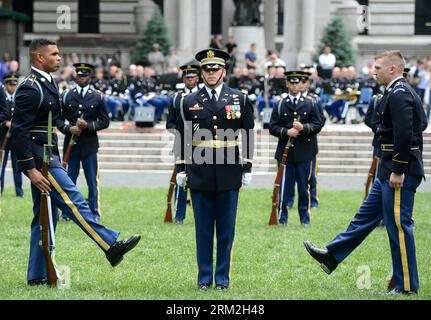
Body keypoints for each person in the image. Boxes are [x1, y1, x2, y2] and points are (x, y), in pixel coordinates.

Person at [11, 39, 141, 286]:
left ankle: (37, 275)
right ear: (39, 57)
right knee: (73, 200)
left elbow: (54, 121)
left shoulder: (48, 83)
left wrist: (72, 127)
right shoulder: (30, 87)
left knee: (44, 217)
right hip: (40, 160)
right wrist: (30, 169)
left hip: (49, 154)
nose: (59, 58)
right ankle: (110, 245)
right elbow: (19, 131)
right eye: (54, 54)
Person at [304, 51, 426, 295]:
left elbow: (407, 133)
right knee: (364, 217)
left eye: (378, 67)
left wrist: (399, 168)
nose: (373, 71)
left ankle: (406, 286)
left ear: (393, 69)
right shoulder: (394, 92)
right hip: (386, 169)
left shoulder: (400, 93)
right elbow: (418, 123)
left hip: (397, 170)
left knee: (399, 227)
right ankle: (332, 255)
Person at [175, 48, 254, 291]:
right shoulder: (189, 100)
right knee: (204, 230)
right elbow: (182, 136)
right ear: (201, 72)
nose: (211, 73)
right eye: (206, 69)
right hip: (200, 172)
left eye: (215, 69)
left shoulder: (239, 99)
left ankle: (222, 279)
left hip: (230, 171)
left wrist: (247, 167)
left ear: (224, 71)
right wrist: (181, 168)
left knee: (226, 231)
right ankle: (204, 278)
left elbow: (248, 134)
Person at [57, 63, 110, 222]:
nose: (82, 78)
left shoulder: (97, 96)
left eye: (85, 75)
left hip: (89, 145)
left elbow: (105, 121)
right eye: (80, 75)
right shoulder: (66, 95)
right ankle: (67, 212)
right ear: (75, 76)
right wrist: (68, 128)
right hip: (71, 146)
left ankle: (94, 213)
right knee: (68, 182)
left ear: (90, 77)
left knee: (92, 182)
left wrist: (89, 126)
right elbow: (58, 120)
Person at [269, 71, 323, 226]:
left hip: (305, 153)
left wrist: (304, 127)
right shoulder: (280, 104)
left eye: (297, 83)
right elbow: (272, 127)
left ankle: (304, 219)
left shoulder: (310, 103)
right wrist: (287, 132)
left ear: (301, 84)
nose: (294, 85)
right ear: (287, 84)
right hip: (285, 154)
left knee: (304, 188)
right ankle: (281, 217)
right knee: (284, 188)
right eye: (291, 83)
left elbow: (318, 123)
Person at [166, 60, 201, 224]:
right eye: (187, 77)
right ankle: (179, 215)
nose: (190, 80)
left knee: (200, 179)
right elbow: (170, 123)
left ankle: (199, 213)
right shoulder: (176, 98)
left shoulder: (204, 96)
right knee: (181, 179)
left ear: (198, 78)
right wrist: (179, 134)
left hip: (202, 143)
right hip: (181, 143)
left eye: (193, 77)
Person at [0, 73, 24, 197]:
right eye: (10, 85)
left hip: (15, 138)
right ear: (6, 85)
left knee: (17, 166)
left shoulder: (19, 99)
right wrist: (5, 122)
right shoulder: (1, 98)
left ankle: (19, 191)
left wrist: (15, 124)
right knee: (1, 165)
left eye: (14, 85)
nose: (13, 87)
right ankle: (0, 189)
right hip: (2, 137)